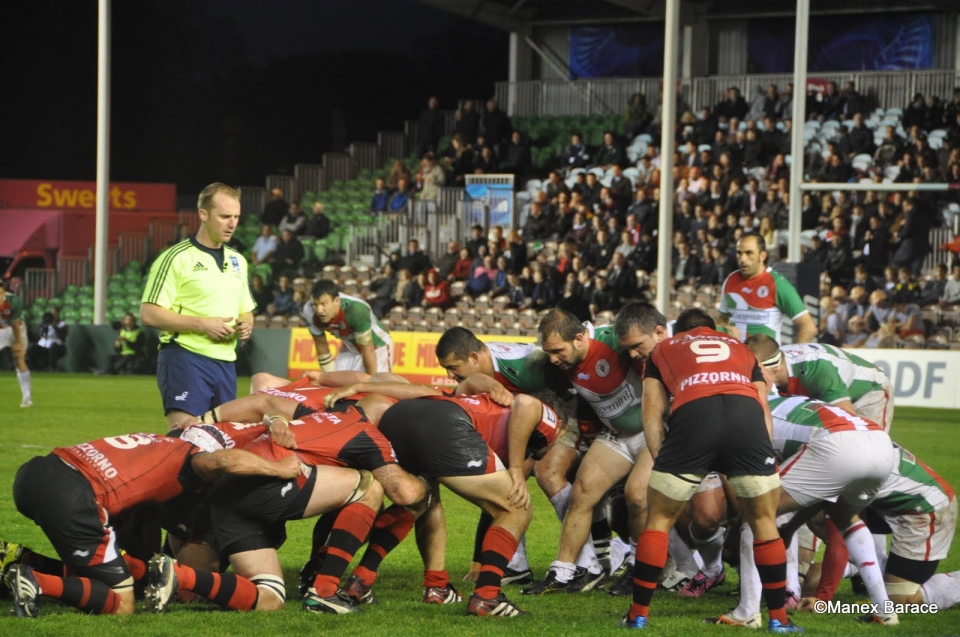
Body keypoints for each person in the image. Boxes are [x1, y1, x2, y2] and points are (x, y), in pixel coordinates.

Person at [4, 421, 299, 618]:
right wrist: (280, 470)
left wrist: (274, 421)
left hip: (36, 474)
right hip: (75, 496)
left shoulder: (156, 442)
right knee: (122, 604)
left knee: (95, 567)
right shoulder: (191, 457)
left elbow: (140, 523)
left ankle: (15, 558)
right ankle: (36, 581)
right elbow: (221, 460)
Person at [623, 308, 799, 632]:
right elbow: (763, 406)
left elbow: (652, 409)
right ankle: (779, 620)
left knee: (659, 520)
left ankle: (638, 616)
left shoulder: (664, 349)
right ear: (712, 328)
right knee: (764, 521)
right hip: (747, 422)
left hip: (694, 418)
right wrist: (762, 454)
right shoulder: (742, 348)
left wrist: (662, 457)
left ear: (680, 332)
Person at [141, 183, 255, 428]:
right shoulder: (176, 258)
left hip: (225, 363)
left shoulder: (238, 260)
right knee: (187, 437)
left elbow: (245, 308)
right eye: (225, 216)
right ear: (203, 214)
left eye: (236, 217)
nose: (232, 223)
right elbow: (149, 313)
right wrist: (202, 324)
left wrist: (246, 324)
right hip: (185, 357)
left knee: (220, 442)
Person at [746, 336, 895, 432]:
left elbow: (848, 423)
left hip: (870, 392)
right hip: (828, 385)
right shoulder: (772, 358)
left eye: (755, 372)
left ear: (776, 367)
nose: (750, 378)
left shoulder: (817, 371)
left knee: (866, 447)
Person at [721, 234, 816, 344]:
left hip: (765, 360)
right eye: (739, 253)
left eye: (749, 253)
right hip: (735, 358)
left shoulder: (778, 284)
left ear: (762, 256)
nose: (742, 259)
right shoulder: (730, 280)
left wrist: (793, 357)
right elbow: (722, 319)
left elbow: (809, 327)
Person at [302, 279, 392, 374]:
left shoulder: (355, 310)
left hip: (376, 346)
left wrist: (370, 378)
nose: (319, 310)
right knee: (336, 384)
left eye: (324, 304)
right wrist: (329, 377)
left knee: (374, 386)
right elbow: (321, 344)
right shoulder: (309, 311)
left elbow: (367, 348)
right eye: (315, 304)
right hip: (349, 348)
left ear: (336, 301)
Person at [0, 278, 32, 407]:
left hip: (17, 329)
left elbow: (15, 324)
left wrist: (18, 342)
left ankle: (27, 397)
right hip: (1, 329)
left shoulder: (13, 300)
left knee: (19, 359)